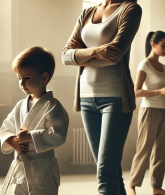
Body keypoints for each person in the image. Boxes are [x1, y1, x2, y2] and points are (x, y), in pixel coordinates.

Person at [62, 0, 142, 194]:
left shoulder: (130, 9)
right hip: (86, 98)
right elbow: (65, 55)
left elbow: (115, 55)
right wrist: (97, 51)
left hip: (115, 98)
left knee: (105, 174)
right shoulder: (88, 12)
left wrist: (82, 57)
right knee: (111, 172)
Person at [0, 46, 69, 195]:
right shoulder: (20, 106)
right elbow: (6, 127)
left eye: (27, 78)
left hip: (44, 166)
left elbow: (58, 134)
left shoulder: (53, 106)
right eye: (19, 78)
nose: (22, 84)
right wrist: (13, 141)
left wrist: (30, 136)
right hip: (21, 166)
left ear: (44, 77)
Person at [128, 31, 165, 195]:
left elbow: (164, 91)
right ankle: (132, 185)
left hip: (164, 111)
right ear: (153, 44)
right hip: (149, 110)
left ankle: (156, 187)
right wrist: (159, 91)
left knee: (161, 149)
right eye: (163, 45)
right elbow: (136, 92)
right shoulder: (144, 64)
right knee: (144, 148)